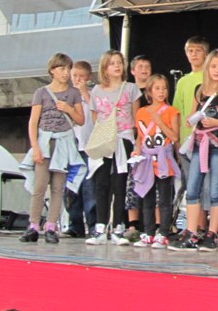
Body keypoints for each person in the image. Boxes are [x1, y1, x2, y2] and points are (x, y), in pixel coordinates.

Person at [169, 50, 218, 251]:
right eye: (213, 66)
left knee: (216, 190)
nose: (217, 71)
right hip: (199, 144)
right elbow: (193, 115)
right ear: (207, 68)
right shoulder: (199, 90)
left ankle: (212, 233)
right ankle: (191, 232)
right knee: (192, 188)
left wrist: (217, 122)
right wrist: (191, 120)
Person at [19, 53, 85, 244]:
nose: (65, 72)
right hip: (45, 142)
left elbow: (81, 120)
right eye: (61, 68)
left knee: (58, 187)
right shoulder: (41, 92)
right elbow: (33, 122)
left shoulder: (74, 93)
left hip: (63, 143)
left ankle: (51, 226)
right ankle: (33, 225)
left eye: (68, 69)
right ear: (52, 71)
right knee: (39, 186)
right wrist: (35, 148)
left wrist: (68, 109)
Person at [85, 50, 142, 245]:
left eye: (119, 62)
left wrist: (135, 141)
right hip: (104, 139)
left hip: (123, 138)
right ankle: (100, 226)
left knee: (120, 183)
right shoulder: (97, 90)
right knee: (102, 183)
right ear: (105, 68)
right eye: (112, 63)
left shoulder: (131, 88)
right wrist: (104, 131)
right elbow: (95, 116)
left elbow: (136, 117)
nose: (117, 66)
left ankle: (118, 226)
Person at [131, 74, 180, 249]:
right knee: (147, 197)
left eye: (164, 88)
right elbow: (140, 136)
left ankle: (164, 233)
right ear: (149, 91)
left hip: (163, 158)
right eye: (157, 88)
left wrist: (160, 122)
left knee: (165, 198)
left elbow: (174, 136)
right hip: (146, 159)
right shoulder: (141, 112)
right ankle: (149, 232)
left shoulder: (171, 111)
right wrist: (137, 150)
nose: (161, 92)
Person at [171, 36, 210, 237]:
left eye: (198, 50)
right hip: (186, 141)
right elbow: (177, 111)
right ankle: (193, 226)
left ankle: (205, 226)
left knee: (207, 184)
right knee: (191, 184)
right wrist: (177, 140)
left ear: (206, 53)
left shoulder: (209, 76)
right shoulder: (183, 81)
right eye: (190, 50)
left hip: (205, 139)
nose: (194, 54)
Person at [119, 54, 153, 245]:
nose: (144, 70)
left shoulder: (155, 90)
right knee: (132, 183)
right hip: (134, 141)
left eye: (147, 66)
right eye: (140, 66)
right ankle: (132, 224)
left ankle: (153, 225)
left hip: (155, 144)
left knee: (154, 185)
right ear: (132, 71)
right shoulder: (128, 91)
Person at [64, 60, 97, 238]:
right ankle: (75, 225)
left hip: (89, 147)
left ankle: (93, 225)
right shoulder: (67, 95)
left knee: (89, 189)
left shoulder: (93, 94)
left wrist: (84, 92)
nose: (77, 80)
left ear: (89, 78)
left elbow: (99, 112)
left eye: (81, 77)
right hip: (72, 148)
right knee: (71, 189)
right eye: (74, 76)